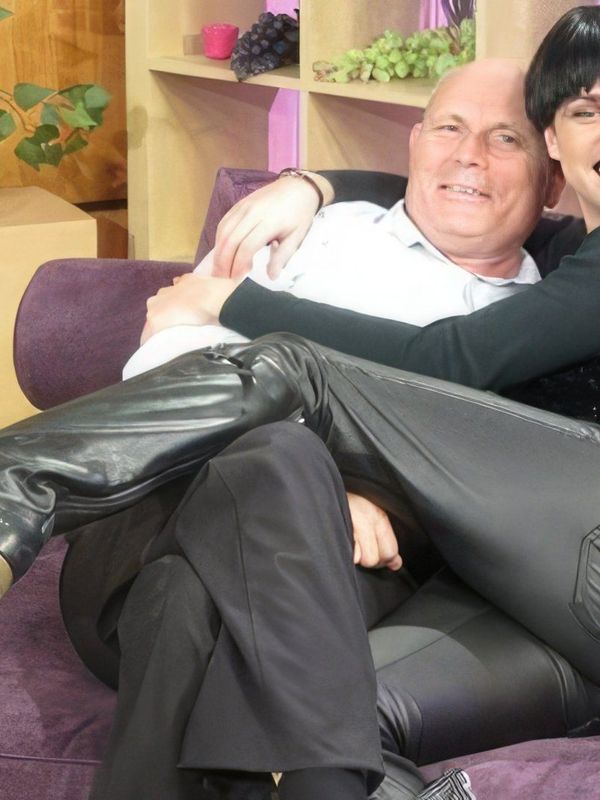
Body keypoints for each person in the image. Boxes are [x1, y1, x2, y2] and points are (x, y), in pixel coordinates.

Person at [0, 41, 599, 800]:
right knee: (276, 464)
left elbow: (453, 383)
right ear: (414, 142)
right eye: (449, 128)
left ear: (548, 173)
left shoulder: (540, 315)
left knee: (193, 587)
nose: (470, 155)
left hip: (341, 566)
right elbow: (170, 354)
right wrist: (315, 183)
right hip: (159, 513)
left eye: (505, 138)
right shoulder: (319, 228)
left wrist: (320, 470)